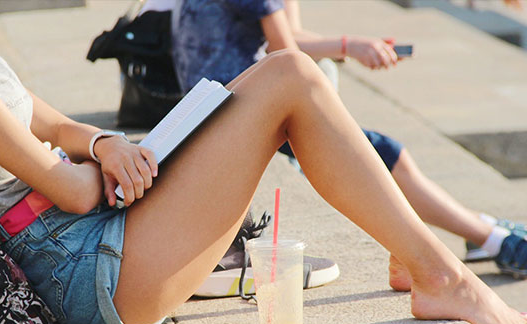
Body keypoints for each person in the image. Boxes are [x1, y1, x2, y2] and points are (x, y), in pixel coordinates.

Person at [0, 0, 527, 324]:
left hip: (89, 228)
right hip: (83, 265)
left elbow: (58, 127)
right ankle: (440, 274)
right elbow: (71, 186)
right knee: (289, 78)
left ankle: (429, 266)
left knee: (282, 78)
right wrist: (115, 159)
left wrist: (109, 145)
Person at [170, 0, 527, 286]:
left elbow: (286, 36)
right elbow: (286, 51)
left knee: (381, 150)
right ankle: (491, 239)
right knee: (377, 153)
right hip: (235, 116)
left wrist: (355, 46)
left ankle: (484, 232)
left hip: (223, 104)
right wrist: (349, 47)